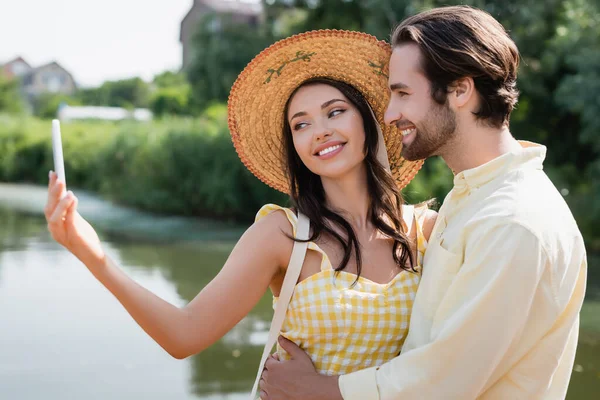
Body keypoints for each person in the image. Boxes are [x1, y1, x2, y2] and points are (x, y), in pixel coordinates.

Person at [44, 30, 436, 389]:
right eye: (301, 125)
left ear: (368, 122)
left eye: (335, 112)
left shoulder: (428, 231)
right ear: (296, 149)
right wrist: (91, 254)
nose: (319, 131)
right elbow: (183, 336)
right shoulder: (283, 235)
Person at [258, 6, 588, 400]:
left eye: (402, 93)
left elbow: (447, 380)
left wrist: (323, 389)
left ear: (460, 91)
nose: (390, 113)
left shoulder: (513, 221)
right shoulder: (470, 198)